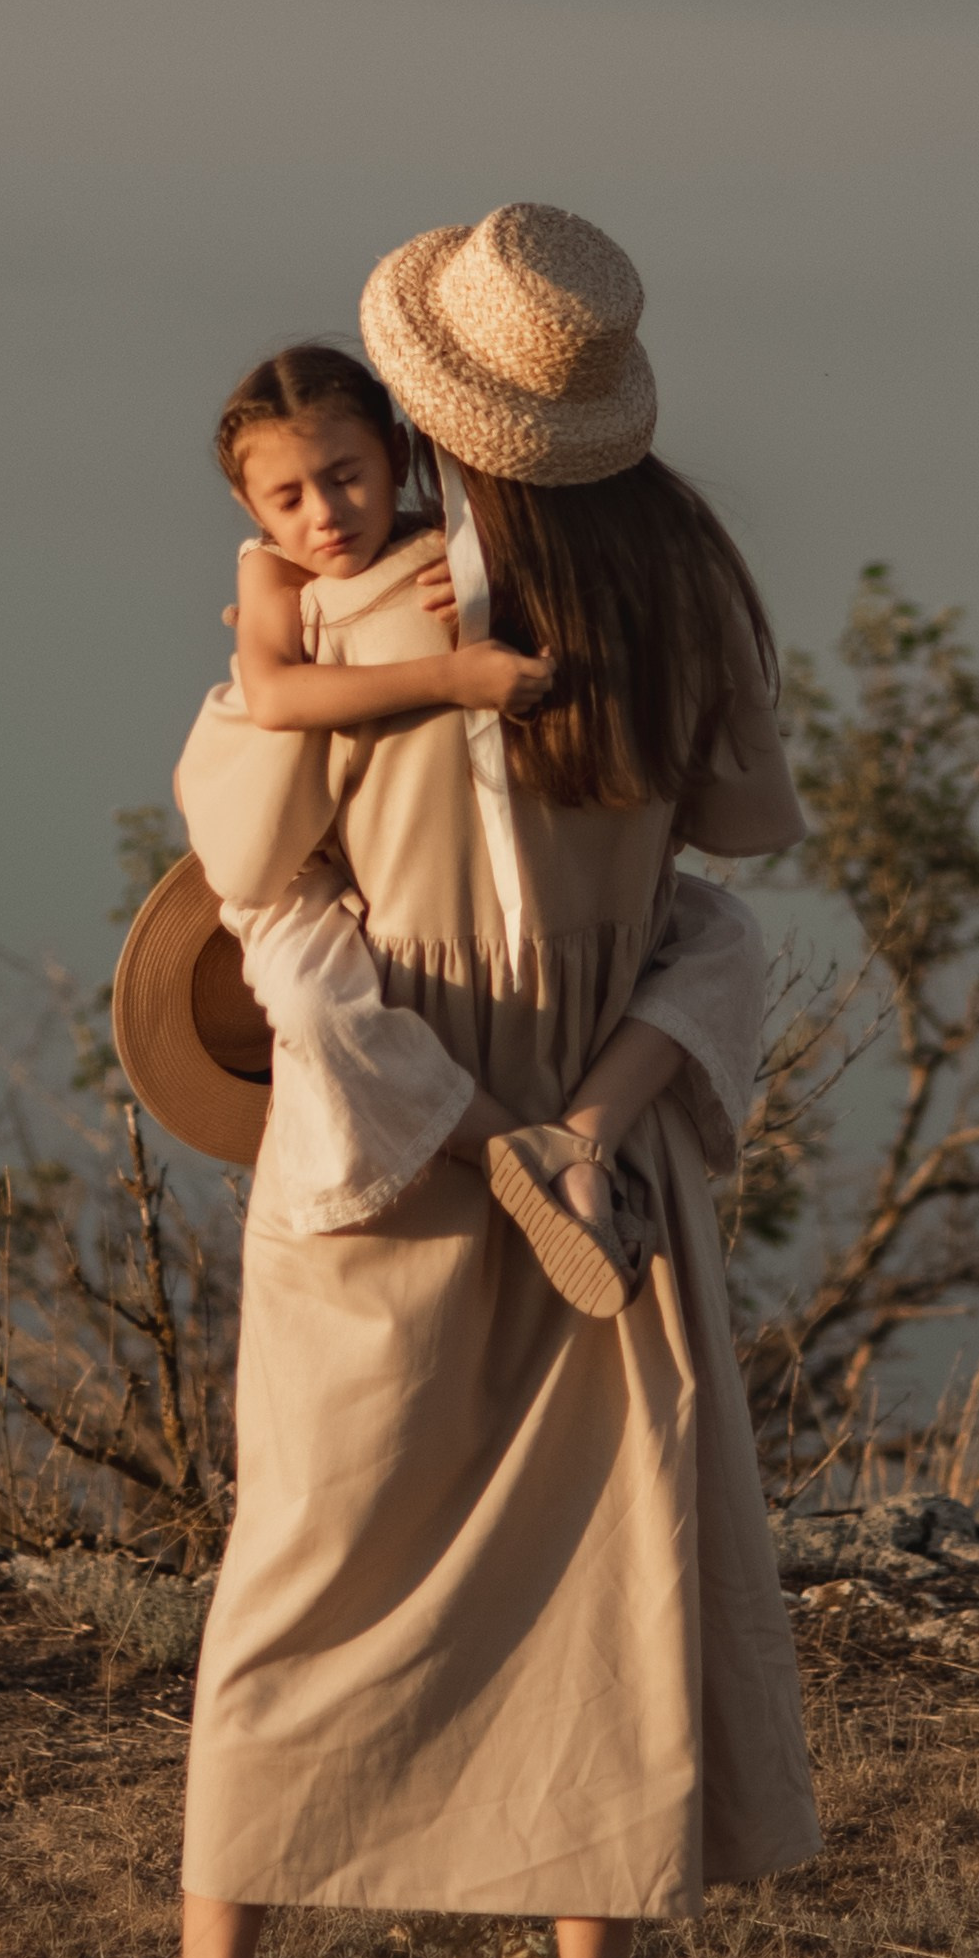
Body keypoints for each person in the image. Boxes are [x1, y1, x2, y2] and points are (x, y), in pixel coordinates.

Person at [107, 206, 819, 1958]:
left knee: (308, 1560)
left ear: (422, 412)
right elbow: (723, 859)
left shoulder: (353, 613)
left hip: (395, 1125)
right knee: (606, 1568)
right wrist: (586, 1105)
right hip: (600, 1137)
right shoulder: (680, 588)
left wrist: (430, 1081)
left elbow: (255, 871)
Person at [208, 341, 769, 1272]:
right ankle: (512, 1145)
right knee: (324, 1002)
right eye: (289, 498)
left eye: (346, 477)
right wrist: (452, 676)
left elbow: (525, 561)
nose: (325, 515)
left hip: (493, 917)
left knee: (725, 940)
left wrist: (499, 570)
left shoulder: (460, 551)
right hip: (332, 885)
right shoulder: (272, 573)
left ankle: (582, 1135)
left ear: (397, 451)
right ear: (251, 508)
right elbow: (271, 697)